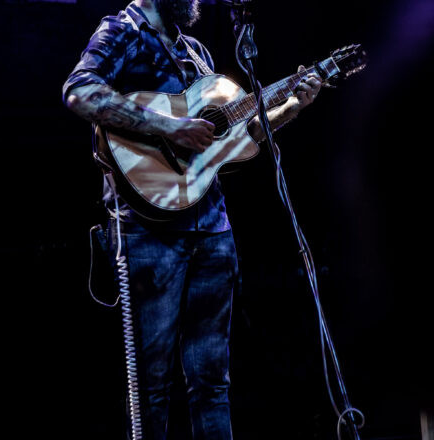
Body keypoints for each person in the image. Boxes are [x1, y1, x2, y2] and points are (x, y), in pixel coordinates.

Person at [62, 1, 322, 438]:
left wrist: (294, 103)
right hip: (148, 229)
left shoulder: (195, 51)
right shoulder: (124, 30)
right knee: (151, 386)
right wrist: (168, 127)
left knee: (213, 383)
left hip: (212, 227)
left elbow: (243, 136)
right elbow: (79, 91)